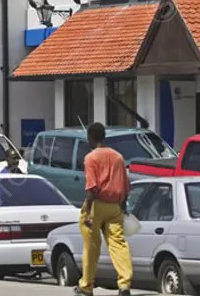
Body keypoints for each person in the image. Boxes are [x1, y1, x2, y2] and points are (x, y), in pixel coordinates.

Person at [76, 123, 132, 296]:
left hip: (96, 204)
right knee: (118, 244)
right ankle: (124, 284)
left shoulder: (91, 158)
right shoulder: (118, 157)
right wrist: (123, 207)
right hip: (115, 206)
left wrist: (88, 212)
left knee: (91, 247)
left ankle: (86, 286)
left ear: (91, 138)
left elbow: (91, 188)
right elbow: (125, 185)